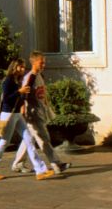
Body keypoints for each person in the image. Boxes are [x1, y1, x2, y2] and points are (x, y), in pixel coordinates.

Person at [0, 58, 44, 180]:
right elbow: (6, 99)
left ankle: (41, 170)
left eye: (24, 67)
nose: (23, 69)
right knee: (4, 143)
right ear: (14, 67)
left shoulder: (17, 81)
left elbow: (18, 98)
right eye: (20, 67)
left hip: (17, 114)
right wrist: (19, 91)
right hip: (8, 114)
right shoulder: (8, 81)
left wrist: (23, 95)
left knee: (29, 139)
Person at [15, 51, 67, 180]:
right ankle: (56, 164)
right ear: (34, 63)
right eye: (41, 62)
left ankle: (18, 164)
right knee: (44, 139)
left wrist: (47, 106)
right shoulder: (30, 77)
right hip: (33, 114)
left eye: (44, 62)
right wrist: (24, 110)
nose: (44, 65)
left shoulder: (39, 75)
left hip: (39, 112)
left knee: (29, 139)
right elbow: (23, 95)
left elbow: (42, 92)